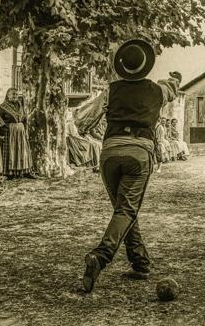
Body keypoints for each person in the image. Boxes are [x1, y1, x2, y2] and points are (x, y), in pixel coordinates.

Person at [80, 39, 181, 293]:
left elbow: (84, 121)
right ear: (146, 64)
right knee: (126, 209)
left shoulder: (110, 90)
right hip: (139, 153)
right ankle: (100, 256)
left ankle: (140, 262)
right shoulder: (156, 91)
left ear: (123, 65)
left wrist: (97, 129)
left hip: (110, 153)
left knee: (123, 209)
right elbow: (171, 87)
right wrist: (174, 80)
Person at [0, 88, 34, 179]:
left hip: (21, 132)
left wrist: (25, 130)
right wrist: (2, 132)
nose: (15, 96)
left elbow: (25, 119)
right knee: (11, 152)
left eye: (16, 94)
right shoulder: (2, 107)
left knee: (23, 151)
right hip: (10, 132)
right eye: (13, 94)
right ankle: (10, 173)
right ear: (8, 95)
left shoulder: (20, 105)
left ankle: (25, 171)